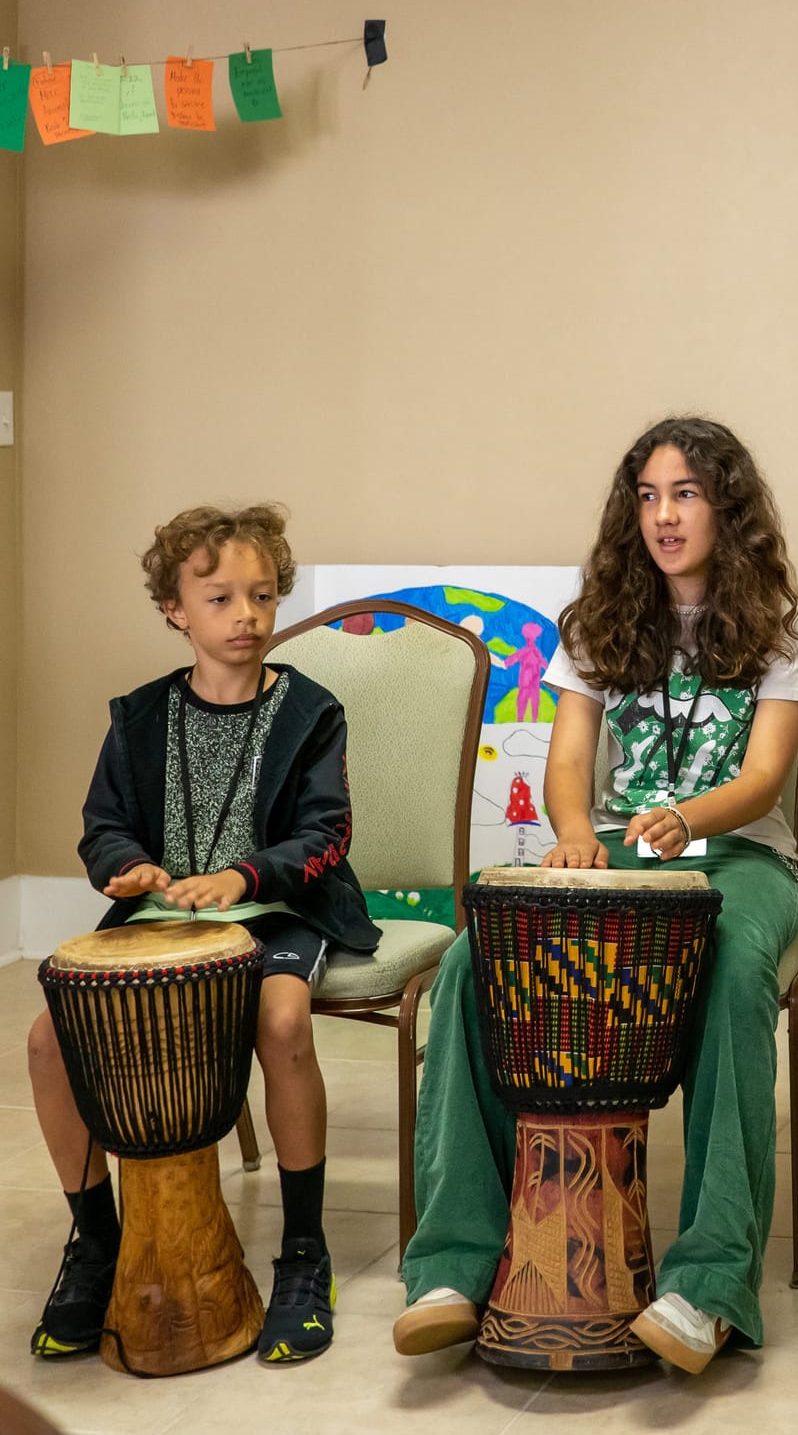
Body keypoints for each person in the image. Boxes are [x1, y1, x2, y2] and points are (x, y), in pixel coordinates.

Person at [393, 416, 798, 1374]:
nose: (663, 516)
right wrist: (578, 834)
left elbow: (763, 781)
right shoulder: (597, 618)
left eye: (685, 494)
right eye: (647, 496)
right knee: (474, 964)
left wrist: (688, 817)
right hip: (621, 858)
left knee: (735, 972)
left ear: (728, 507)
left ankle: (707, 1285)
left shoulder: (783, 629)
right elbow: (571, 763)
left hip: (739, 861)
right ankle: (456, 1264)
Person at [28, 504, 378, 1364]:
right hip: (164, 920)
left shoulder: (310, 710)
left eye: (262, 596)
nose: (246, 616)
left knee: (283, 1021)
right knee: (47, 1039)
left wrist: (242, 877)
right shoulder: (142, 717)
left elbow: (325, 835)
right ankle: (95, 1247)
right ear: (175, 610)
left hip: (282, 908)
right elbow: (102, 827)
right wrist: (131, 869)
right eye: (220, 598)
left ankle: (304, 1253)